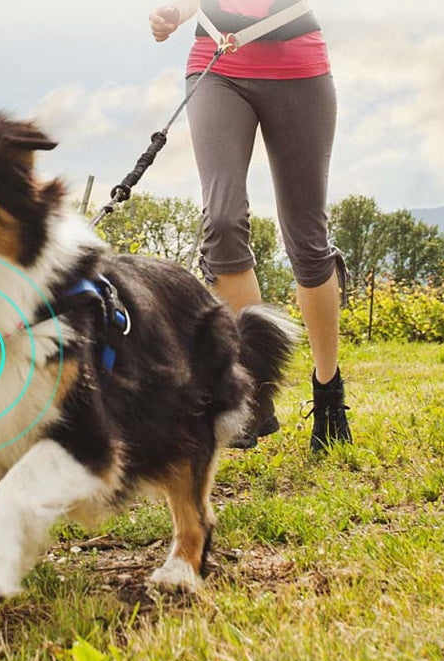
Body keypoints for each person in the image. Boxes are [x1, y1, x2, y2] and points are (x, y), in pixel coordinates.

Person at [149, 0, 351, 453]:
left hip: (300, 71)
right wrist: (173, 15)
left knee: (307, 240)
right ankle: (255, 393)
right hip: (217, 65)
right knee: (220, 221)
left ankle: (328, 391)